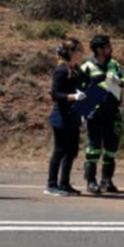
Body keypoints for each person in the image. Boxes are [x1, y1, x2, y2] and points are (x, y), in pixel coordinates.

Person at [80, 35, 124, 195]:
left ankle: (107, 180)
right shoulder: (87, 66)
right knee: (94, 147)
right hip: (94, 111)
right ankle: (91, 181)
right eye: (108, 46)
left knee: (111, 147)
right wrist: (82, 111)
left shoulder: (114, 64)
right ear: (99, 50)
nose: (111, 49)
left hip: (112, 110)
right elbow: (79, 89)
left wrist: (119, 80)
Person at [46, 39, 88, 197]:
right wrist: (73, 96)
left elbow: (87, 81)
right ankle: (51, 184)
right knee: (60, 150)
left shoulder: (76, 69)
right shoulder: (61, 70)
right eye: (79, 50)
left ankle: (64, 183)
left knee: (72, 151)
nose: (81, 53)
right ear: (71, 52)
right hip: (61, 116)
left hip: (74, 116)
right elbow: (55, 94)